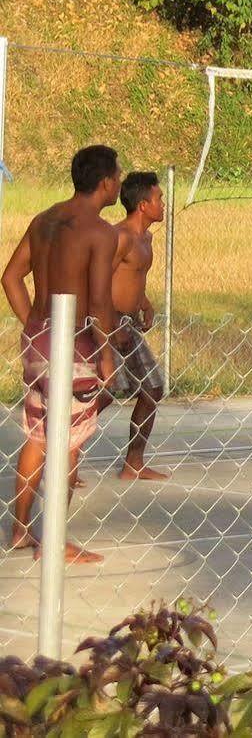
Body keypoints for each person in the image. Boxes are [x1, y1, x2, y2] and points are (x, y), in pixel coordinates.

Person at [3, 145, 121, 562]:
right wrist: (105, 352)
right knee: (68, 442)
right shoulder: (101, 232)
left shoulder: (45, 220)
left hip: (39, 339)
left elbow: (11, 276)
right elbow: (101, 301)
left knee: (39, 434)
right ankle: (54, 540)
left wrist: (33, 324)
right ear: (106, 181)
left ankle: (20, 528)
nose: (119, 183)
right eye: (117, 176)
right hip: (75, 345)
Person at [109, 171, 169, 482]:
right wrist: (108, 322)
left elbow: (134, 278)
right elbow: (98, 280)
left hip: (130, 322)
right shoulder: (120, 236)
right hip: (109, 320)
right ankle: (65, 457)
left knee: (152, 389)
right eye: (159, 199)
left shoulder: (146, 238)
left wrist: (144, 302)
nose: (164, 204)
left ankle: (134, 462)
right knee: (104, 393)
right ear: (143, 205)